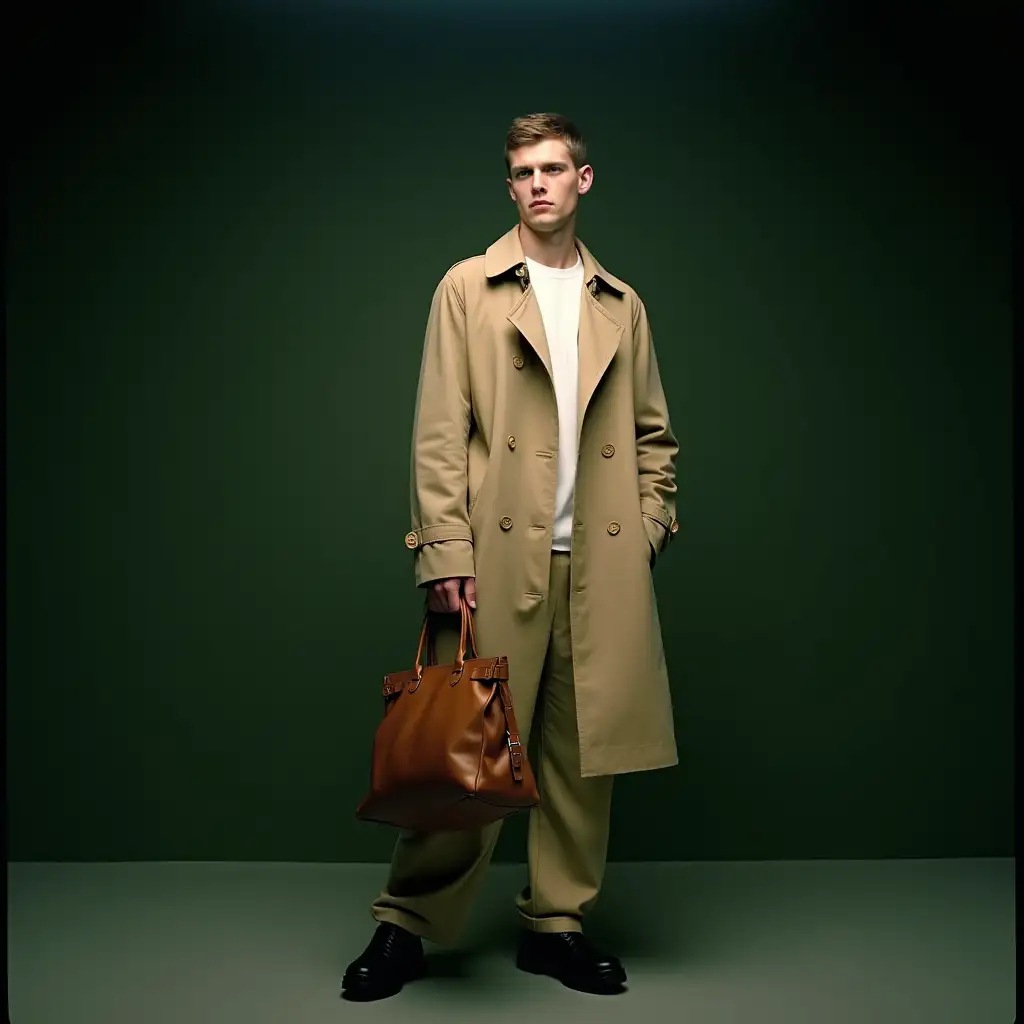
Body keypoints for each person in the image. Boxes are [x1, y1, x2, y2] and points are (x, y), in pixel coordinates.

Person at [342, 112, 681, 1002]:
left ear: (584, 180)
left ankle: (556, 924)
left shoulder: (623, 303)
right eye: (522, 171)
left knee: (581, 761)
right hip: (494, 561)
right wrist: (444, 550)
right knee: (469, 750)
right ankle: (406, 927)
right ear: (511, 187)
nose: (537, 183)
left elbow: (656, 439)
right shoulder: (469, 287)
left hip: (599, 565)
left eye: (553, 168)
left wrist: (646, 530)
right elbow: (437, 431)